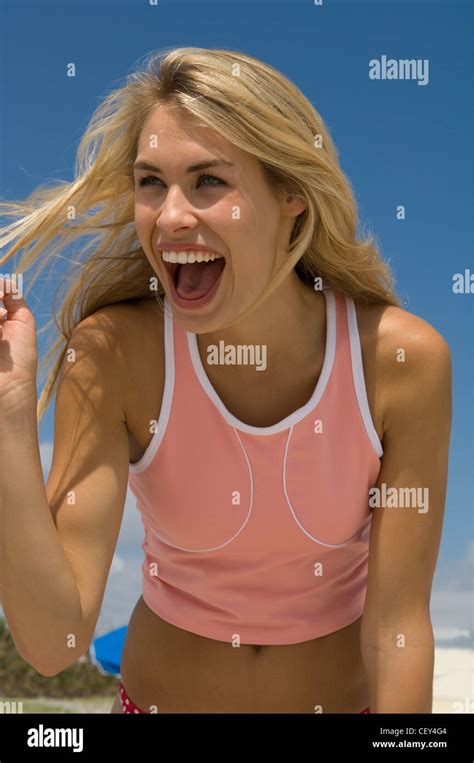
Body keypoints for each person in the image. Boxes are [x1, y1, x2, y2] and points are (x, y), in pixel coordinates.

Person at [0, 47, 451, 714]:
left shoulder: (400, 362)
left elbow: (398, 629)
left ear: (292, 194)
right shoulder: (116, 352)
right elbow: (52, 640)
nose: (172, 216)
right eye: (151, 182)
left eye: (209, 181)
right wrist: (9, 421)